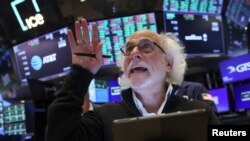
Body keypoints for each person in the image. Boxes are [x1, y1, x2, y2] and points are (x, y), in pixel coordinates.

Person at [45, 19, 220, 141]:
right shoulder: (103, 118)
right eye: (129, 50)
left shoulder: (199, 112)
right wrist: (80, 72)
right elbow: (58, 136)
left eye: (146, 46)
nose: (134, 53)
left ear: (168, 63)